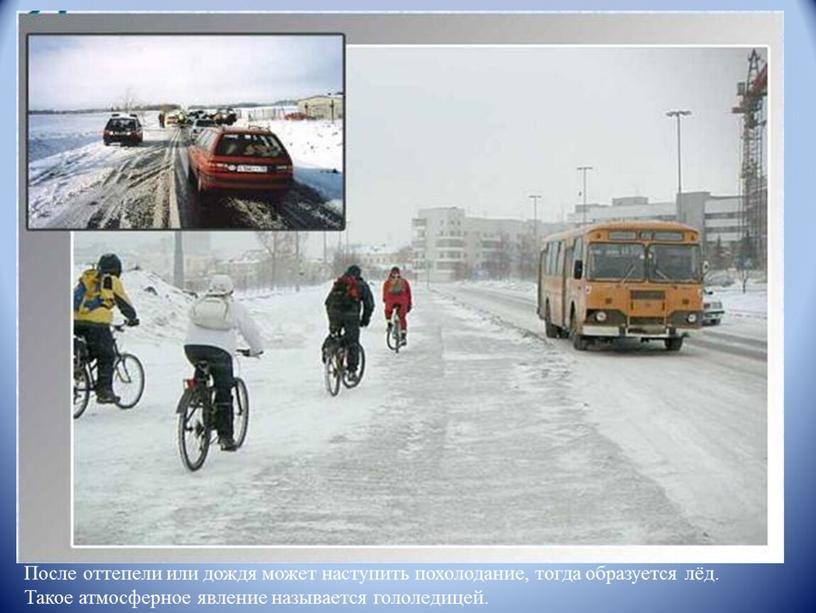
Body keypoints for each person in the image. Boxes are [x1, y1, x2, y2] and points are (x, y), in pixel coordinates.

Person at [184, 274, 263, 452]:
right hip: (219, 353)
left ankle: (196, 394)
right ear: (230, 290)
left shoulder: (199, 303)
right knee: (223, 389)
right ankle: (225, 437)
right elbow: (250, 331)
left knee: (201, 371)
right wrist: (256, 349)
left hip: (192, 349)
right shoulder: (234, 307)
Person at [73, 254, 139, 404]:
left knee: (87, 351)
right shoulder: (111, 281)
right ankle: (104, 391)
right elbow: (123, 303)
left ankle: (78, 368)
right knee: (107, 355)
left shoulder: (87, 278)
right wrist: (132, 318)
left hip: (74, 321)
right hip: (96, 324)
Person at [324, 265, 374, 383]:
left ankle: (330, 352)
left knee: (334, 334)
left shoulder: (339, 283)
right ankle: (351, 371)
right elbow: (369, 305)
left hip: (334, 313)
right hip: (351, 316)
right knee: (353, 342)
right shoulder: (361, 285)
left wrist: (332, 320)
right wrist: (365, 319)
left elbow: (327, 302)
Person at [382, 266, 413, 346]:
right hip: (402, 302)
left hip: (391, 302)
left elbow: (385, 295)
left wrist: (386, 300)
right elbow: (408, 294)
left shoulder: (387, 282)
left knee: (388, 311)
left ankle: (389, 323)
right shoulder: (404, 282)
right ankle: (403, 336)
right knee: (402, 318)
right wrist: (409, 304)